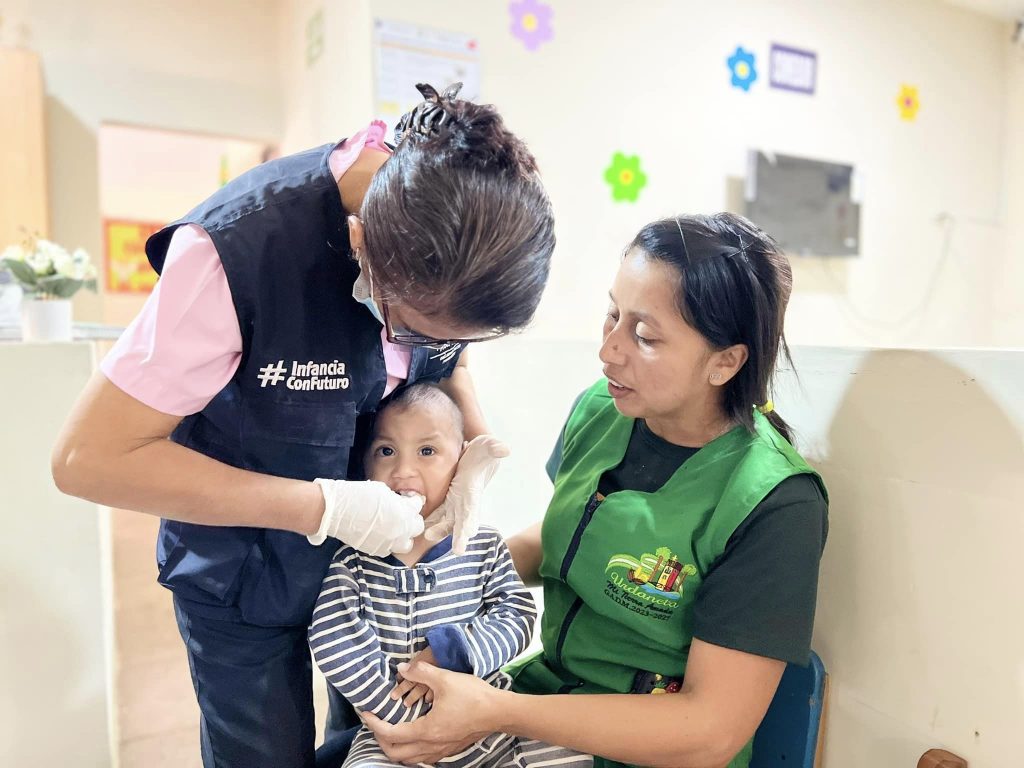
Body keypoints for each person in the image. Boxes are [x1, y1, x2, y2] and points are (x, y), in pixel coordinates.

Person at [50, 83, 555, 768]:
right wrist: (325, 508)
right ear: (359, 243)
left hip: (382, 577)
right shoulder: (235, 253)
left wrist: (469, 444)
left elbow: (444, 357)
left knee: (375, 746)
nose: (427, 345)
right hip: (245, 572)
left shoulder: (452, 246)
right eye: (412, 327)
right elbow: (86, 458)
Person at [358, 213, 829, 768]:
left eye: (645, 336)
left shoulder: (777, 505)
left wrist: (495, 711)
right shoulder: (602, 410)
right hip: (537, 701)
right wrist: (437, 577)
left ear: (725, 362)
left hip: (637, 748)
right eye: (612, 315)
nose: (608, 351)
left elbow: (708, 731)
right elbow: (566, 533)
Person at [310, 383, 591, 768]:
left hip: (488, 722)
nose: (403, 470)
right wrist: (398, 711)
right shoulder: (352, 559)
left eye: (427, 451)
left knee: (570, 754)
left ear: (461, 462)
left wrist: (452, 652)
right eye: (386, 451)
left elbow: (517, 614)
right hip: (395, 735)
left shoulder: (482, 545)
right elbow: (334, 638)